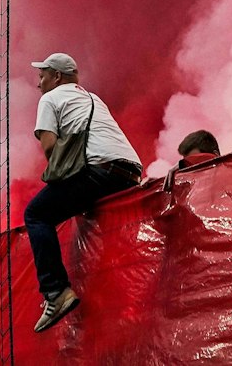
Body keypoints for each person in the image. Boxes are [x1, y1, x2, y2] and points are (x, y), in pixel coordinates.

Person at [23, 52, 143, 333]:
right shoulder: (93, 99)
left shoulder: (50, 99)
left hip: (97, 172)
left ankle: (56, 293)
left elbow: (51, 149)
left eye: (42, 77)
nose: (39, 84)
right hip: (130, 173)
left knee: (36, 214)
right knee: (82, 201)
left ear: (57, 77)